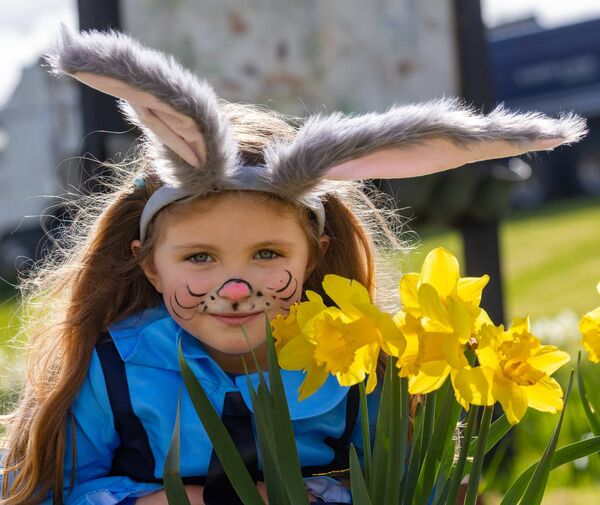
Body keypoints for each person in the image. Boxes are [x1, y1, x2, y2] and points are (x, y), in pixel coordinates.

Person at [0, 28, 585, 505]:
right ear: (150, 267)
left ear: (315, 258)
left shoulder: (362, 365)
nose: (234, 287)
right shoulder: (114, 367)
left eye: (267, 255)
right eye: (199, 258)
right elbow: (56, 490)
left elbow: (406, 485)